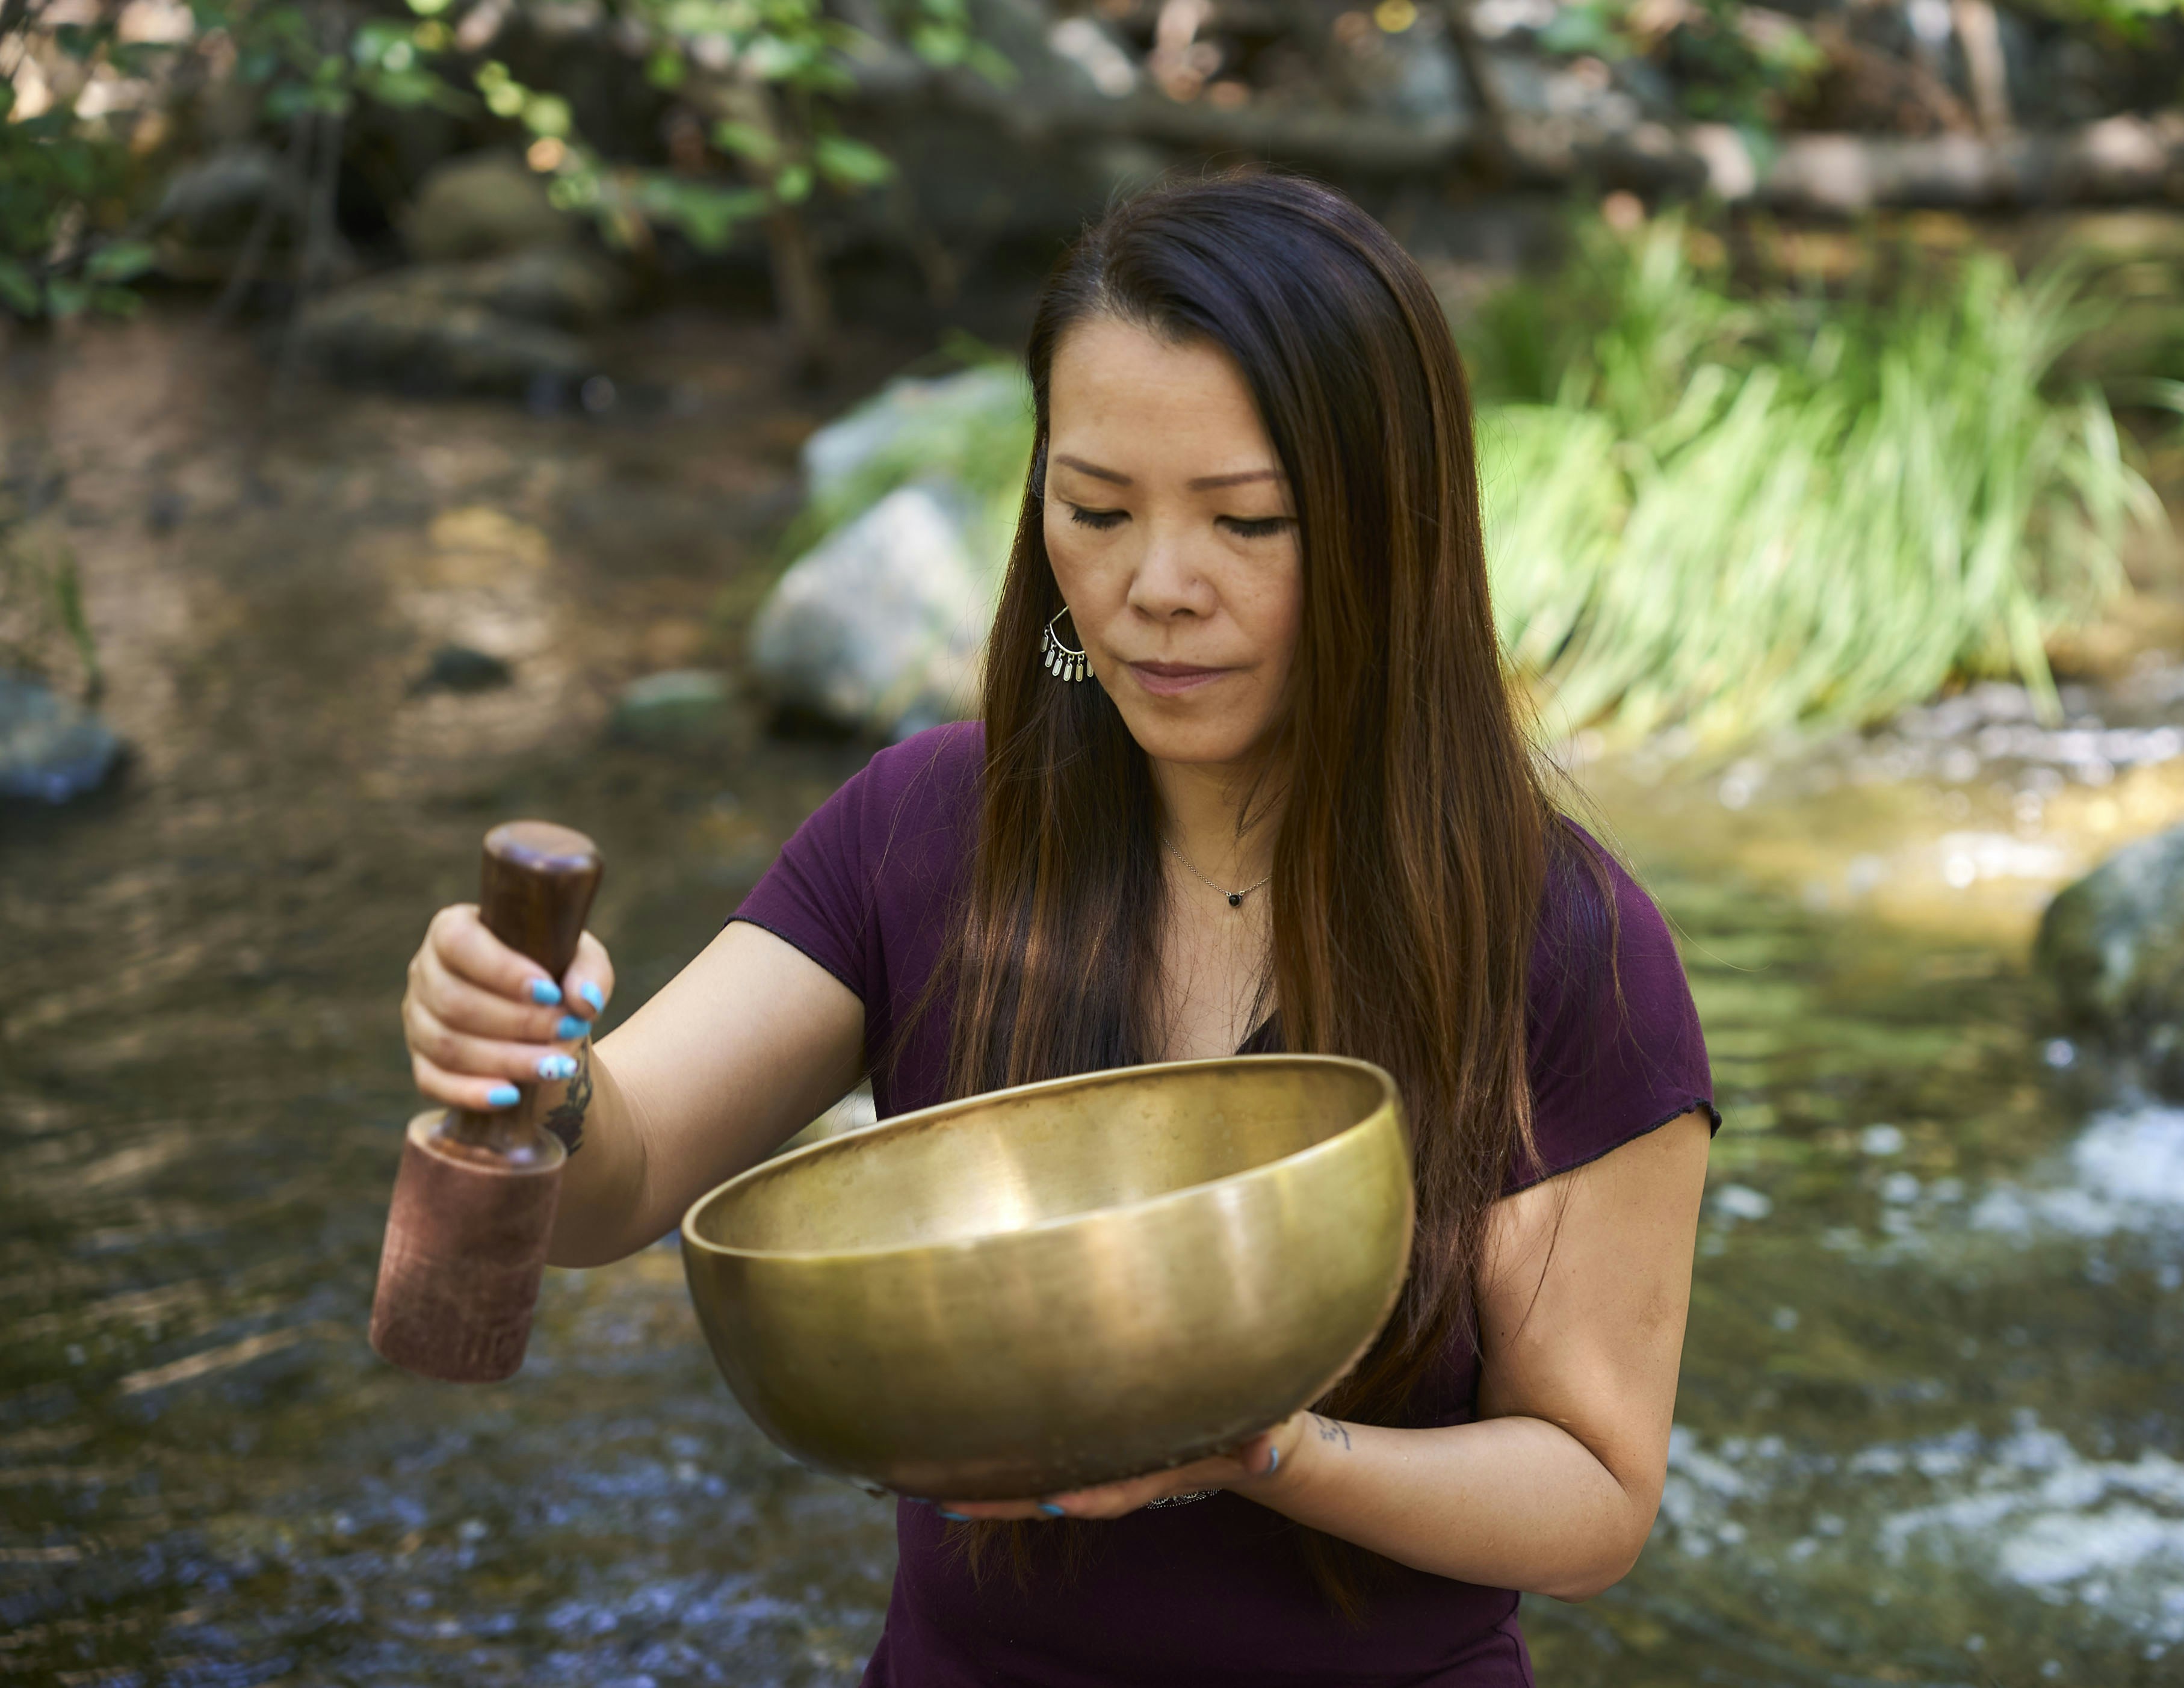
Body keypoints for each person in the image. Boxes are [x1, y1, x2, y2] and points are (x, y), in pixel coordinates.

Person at [399, 165, 1717, 1687]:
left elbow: (1595, 1497)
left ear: (1392, 538)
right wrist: (530, 1064)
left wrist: (1270, 1452)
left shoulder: (1562, 943)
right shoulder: (926, 828)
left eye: (1250, 522)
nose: (1156, 588)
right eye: (1095, 509)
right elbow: (601, 1196)